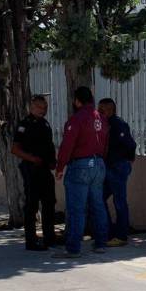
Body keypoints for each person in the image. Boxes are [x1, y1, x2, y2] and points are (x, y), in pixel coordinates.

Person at [53, 86, 110, 258]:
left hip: (81, 165)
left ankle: (73, 248)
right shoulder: (101, 118)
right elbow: (106, 144)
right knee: (98, 205)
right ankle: (101, 243)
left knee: (76, 209)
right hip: (99, 164)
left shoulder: (77, 119)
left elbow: (67, 145)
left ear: (77, 101)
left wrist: (60, 167)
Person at [10, 94, 58, 251]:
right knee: (31, 204)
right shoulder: (24, 125)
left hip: (45, 168)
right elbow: (15, 149)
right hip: (31, 169)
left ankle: (49, 237)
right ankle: (31, 240)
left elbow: (49, 146)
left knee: (49, 202)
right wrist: (32, 159)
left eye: (45, 108)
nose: (42, 110)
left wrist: (52, 161)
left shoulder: (45, 124)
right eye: (39, 107)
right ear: (31, 107)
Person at [98, 98, 136, 247]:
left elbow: (130, 144)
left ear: (110, 110)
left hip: (117, 167)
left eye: (102, 110)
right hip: (108, 167)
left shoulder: (118, 124)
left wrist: (128, 160)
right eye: (99, 109)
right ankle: (109, 232)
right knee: (99, 198)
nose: (99, 112)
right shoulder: (102, 124)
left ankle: (121, 235)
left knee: (119, 201)